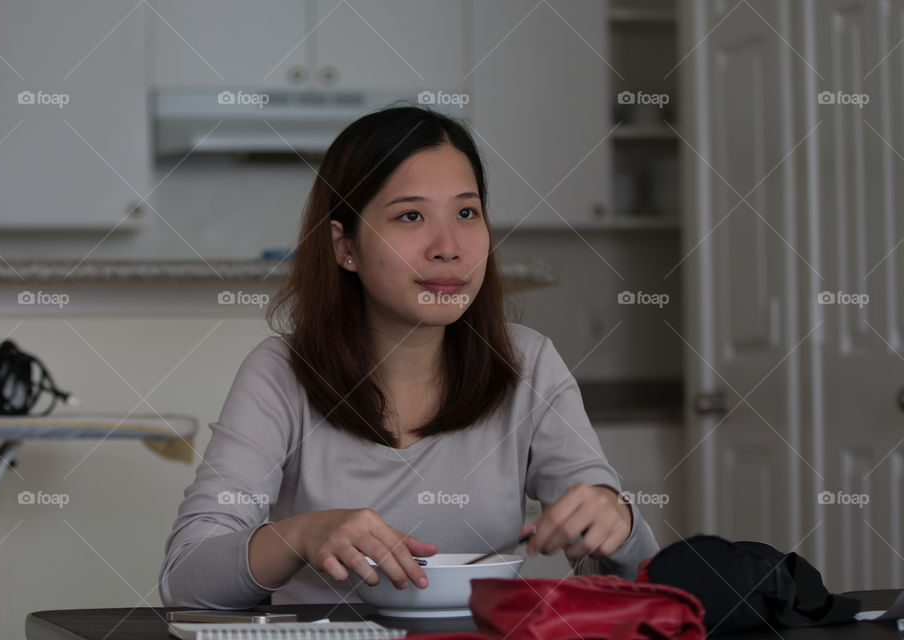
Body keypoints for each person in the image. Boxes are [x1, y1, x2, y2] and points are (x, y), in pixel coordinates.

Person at [159, 105, 659, 609]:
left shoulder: (527, 363)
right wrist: (300, 536)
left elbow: (631, 587)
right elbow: (186, 578)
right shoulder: (282, 373)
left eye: (467, 213)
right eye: (411, 216)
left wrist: (616, 522)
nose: (448, 247)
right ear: (344, 246)